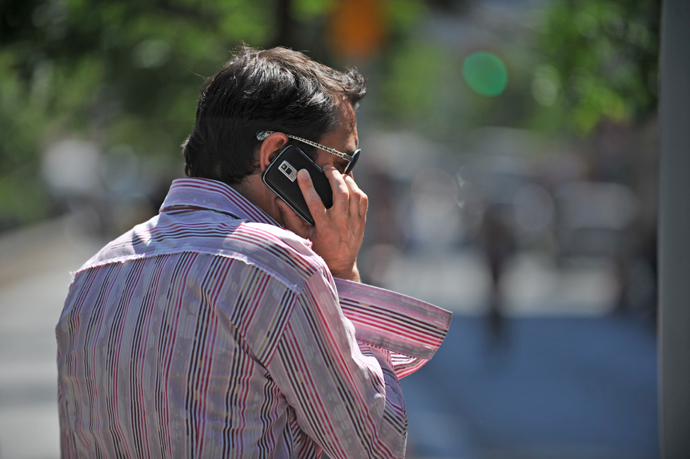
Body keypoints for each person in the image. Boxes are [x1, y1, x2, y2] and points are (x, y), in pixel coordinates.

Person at [56, 46, 452, 458]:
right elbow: (376, 445)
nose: (352, 188)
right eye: (344, 163)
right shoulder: (280, 268)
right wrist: (342, 272)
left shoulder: (93, 275)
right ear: (279, 157)